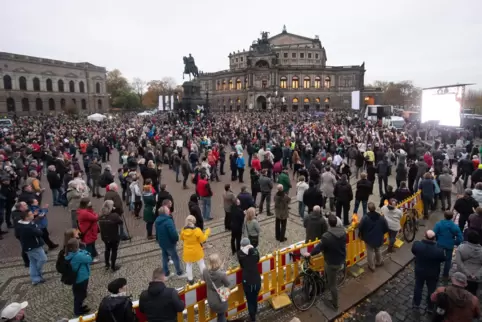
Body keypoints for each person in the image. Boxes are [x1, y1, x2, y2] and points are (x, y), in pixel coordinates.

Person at [303, 215, 346, 310]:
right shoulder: (343, 232)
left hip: (331, 262)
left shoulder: (327, 236)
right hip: (340, 259)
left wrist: (310, 254)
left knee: (333, 285)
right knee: (328, 277)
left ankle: (335, 304)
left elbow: (318, 248)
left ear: (328, 224)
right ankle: (326, 286)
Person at [411, 230, 445, 312]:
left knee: (418, 287)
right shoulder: (439, 250)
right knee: (431, 290)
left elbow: (413, 251)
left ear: (425, 236)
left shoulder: (417, 245)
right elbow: (442, 259)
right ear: (434, 238)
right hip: (433, 273)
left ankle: (416, 304)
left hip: (420, 271)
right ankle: (430, 307)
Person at [17, 210, 47, 285]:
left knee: (33, 262)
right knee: (43, 259)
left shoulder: (20, 224)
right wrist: (37, 227)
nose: (33, 215)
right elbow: (39, 233)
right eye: (31, 214)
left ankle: (35, 279)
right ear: (26, 217)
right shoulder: (28, 227)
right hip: (34, 246)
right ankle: (37, 274)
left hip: (27, 247)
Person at [155, 206, 186, 278]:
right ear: (165, 212)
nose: (169, 211)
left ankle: (166, 273)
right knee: (175, 257)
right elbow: (173, 233)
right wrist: (176, 239)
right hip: (169, 243)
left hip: (162, 243)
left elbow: (157, 233)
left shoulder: (157, 220)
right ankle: (179, 273)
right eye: (168, 210)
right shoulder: (168, 221)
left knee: (164, 257)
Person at [65, 238, 93, 316]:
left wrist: (82, 251)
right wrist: (85, 251)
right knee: (81, 295)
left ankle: (79, 307)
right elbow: (89, 258)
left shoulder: (68, 254)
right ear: (77, 246)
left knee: (78, 294)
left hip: (76, 279)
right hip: (82, 278)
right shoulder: (78, 256)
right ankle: (77, 311)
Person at [358, 202, 389, 271]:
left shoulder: (365, 218)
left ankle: (371, 266)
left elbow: (360, 227)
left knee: (370, 252)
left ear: (368, 209)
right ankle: (379, 262)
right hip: (378, 238)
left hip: (369, 239)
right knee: (378, 250)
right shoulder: (381, 217)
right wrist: (381, 233)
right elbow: (386, 227)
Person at [180, 215, 210, 285]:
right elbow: (203, 240)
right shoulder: (197, 230)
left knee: (189, 265)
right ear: (194, 221)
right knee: (201, 263)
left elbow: (181, 238)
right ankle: (204, 277)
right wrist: (207, 232)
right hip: (197, 251)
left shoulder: (183, 230)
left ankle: (190, 280)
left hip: (187, 251)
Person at [433, 210, 463, 280]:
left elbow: (434, 234)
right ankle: (445, 275)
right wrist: (454, 242)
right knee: (448, 260)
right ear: (452, 217)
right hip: (449, 245)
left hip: (439, 244)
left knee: (437, 260)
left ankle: (436, 274)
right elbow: (460, 238)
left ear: (444, 216)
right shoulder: (455, 226)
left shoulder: (438, 224)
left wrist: (437, 239)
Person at [237, 238, 261, 322]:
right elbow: (257, 260)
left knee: (249, 299)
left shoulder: (240, 253)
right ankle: (255, 312)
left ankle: (252, 316)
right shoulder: (255, 251)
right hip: (256, 279)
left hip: (247, 280)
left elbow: (242, 265)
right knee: (255, 297)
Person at [203, 253, 231, 322]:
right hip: (220, 299)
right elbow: (227, 284)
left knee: (220, 315)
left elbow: (205, 279)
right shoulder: (221, 274)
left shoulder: (205, 271)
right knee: (221, 315)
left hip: (211, 298)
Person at [453, 230, 482, 295]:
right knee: (472, 295)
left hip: (463, 276)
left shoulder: (461, 248)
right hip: (476, 279)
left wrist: (468, 273)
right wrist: (477, 275)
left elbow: (459, 263)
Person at [98, 200, 123, 271]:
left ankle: (107, 264)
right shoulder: (114, 216)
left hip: (105, 236)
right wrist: (115, 212)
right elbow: (120, 222)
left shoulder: (100, 215)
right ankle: (113, 266)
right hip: (114, 237)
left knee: (107, 249)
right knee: (114, 250)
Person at [76, 197, 100, 263]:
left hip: (88, 231)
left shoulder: (83, 211)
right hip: (88, 232)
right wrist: (96, 214)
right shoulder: (85, 213)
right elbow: (95, 218)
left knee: (92, 244)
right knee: (89, 246)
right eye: (89, 202)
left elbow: (92, 214)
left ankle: (94, 253)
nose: (90, 202)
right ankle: (90, 259)